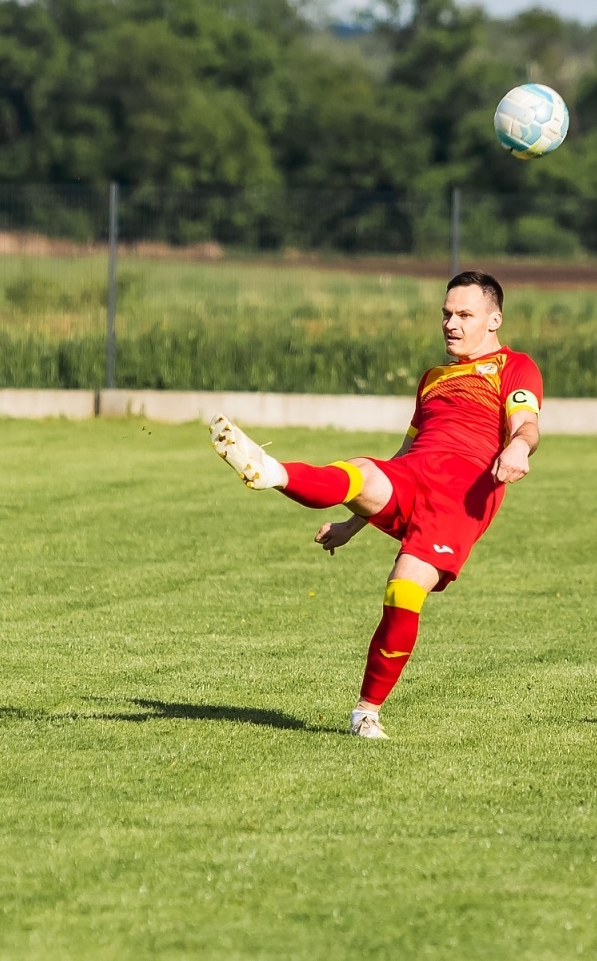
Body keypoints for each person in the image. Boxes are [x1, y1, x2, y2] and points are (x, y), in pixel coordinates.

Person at [208, 270, 542, 739]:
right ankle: (272, 472)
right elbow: (404, 453)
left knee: (403, 592)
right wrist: (353, 522)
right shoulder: (432, 379)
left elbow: (526, 422)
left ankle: (366, 712)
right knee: (363, 469)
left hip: (461, 496)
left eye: (464, 315)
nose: (450, 324)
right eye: (446, 314)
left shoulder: (515, 365)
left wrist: (519, 447)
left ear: (494, 320)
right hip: (415, 472)